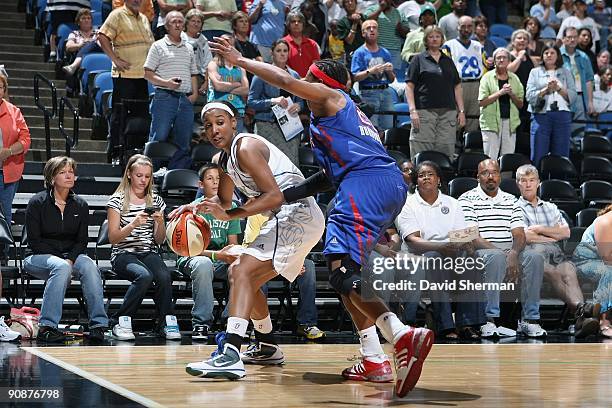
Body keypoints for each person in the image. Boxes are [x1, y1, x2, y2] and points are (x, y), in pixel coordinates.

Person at [200, 36, 433, 397]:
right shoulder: (336, 119)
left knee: (338, 270)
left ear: (323, 84)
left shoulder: (331, 98)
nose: (302, 85)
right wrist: (284, 195)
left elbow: (285, 81)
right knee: (346, 275)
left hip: (366, 182)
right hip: (382, 183)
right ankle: (374, 359)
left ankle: (401, 335)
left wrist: (240, 60)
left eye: (309, 79)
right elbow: (324, 179)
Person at [182, 101, 325, 378]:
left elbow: (274, 196)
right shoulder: (223, 160)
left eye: (220, 122)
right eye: (208, 125)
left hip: (297, 214)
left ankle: (231, 352)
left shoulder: (245, 147)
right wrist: (192, 207)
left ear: (234, 122)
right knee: (244, 275)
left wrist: (230, 214)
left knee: (241, 270)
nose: (214, 129)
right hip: (284, 217)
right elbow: (223, 201)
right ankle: (268, 346)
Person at [24, 156, 109, 343]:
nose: (69, 175)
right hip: (37, 256)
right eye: (63, 172)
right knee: (60, 267)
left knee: (89, 267)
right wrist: (64, 263)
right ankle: (47, 326)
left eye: (71, 172)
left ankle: (98, 324)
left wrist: (70, 260)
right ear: (52, 178)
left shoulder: (81, 205)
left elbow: (81, 241)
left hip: (70, 256)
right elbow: (35, 241)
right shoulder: (37, 202)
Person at [397, 161, 485, 339]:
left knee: (470, 260)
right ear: (416, 181)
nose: (426, 177)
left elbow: (460, 234)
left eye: (430, 174)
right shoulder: (407, 203)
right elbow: (413, 240)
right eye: (422, 175)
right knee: (433, 258)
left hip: (450, 250)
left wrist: (462, 245)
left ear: (438, 180)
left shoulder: (452, 203)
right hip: (420, 253)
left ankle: (467, 323)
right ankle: (445, 325)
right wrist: (441, 247)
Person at [458, 159, 546, 338]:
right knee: (495, 257)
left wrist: (513, 253)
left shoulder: (511, 199)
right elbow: (472, 237)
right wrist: (502, 253)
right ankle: (489, 320)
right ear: (478, 177)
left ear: (500, 176)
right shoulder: (466, 199)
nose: (490, 177)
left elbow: (519, 233)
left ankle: (530, 320)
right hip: (480, 251)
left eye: (494, 172)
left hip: (508, 250)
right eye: (485, 173)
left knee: (534, 257)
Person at [515, 164, 597, 338]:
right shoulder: (514, 207)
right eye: (523, 181)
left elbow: (565, 232)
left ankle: (579, 319)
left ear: (538, 183)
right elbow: (525, 236)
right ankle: (581, 313)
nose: (528, 184)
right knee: (550, 270)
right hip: (530, 257)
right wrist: (551, 236)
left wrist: (538, 228)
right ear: (518, 184)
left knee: (568, 270)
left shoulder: (550, 207)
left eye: (532, 180)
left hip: (555, 254)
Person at [106, 154, 180, 341]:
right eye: (139, 175)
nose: (143, 180)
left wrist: (161, 223)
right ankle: (120, 320)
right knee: (144, 275)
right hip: (123, 253)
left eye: (147, 176)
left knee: (163, 275)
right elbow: (113, 238)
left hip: (148, 250)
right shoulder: (117, 200)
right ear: (129, 174)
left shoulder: (155, 200)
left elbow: (160, 240)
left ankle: (166, 322)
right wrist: (133, 224)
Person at [177, 163, 241, 340]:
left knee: (241, 264)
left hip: (219, 258)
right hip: (192, 257)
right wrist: (217, 255)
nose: (215, 182)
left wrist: (233, 254)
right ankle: (201, 323)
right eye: (210, 178)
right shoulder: (192, 209)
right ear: (200, 184)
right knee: (204, 264)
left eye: (219, 179)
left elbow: (232, 244)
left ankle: (232, 321)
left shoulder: (231, 207)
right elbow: (189, 249)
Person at [99, 0, 155, 163]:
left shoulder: (144, 18)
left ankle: (134, 152)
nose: (137, 0)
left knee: (140, 117)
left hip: (142, 76)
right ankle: (116, 152)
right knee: (120, 116)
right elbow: (102, 37)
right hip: (125, 76)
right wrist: (115, 59)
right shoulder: (117, 15)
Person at [144, 11, 198, 171]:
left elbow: (193, 73)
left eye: (180, 21)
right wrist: (166, 83)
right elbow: (147, 73)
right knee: (158, 137)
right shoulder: (158, 46)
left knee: (184, 140)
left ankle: (176, 175)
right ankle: (148, 174)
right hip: (164, 96)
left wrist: (194, 94)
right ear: (167, 26)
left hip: (185, 99)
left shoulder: (189, 47)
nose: (177, 24)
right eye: (174, 21)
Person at [406, 25, 465, 160]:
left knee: (445, 152)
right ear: (426, 40)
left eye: (437, 36)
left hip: (448, 113)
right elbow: (409, 86)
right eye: (431, 37)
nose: (434, 39)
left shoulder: (448, 61)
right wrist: (412, 110)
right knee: (421, 153)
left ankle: (442, 181)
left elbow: (457, 86)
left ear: (442, 39)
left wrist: (461, 111)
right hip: (424, 112)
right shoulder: (418, 59)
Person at [248, 39, 303, 165]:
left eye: (285, 51)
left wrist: (298, 106)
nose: (282, 54)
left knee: (291, 163)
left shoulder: (294, 75)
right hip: (267, 125)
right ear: (272, 53)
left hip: (290, 127)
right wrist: (272, 101)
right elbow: (251, 102)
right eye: (278, 51)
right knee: (270, 164)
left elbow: (301, 101)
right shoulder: (262, 73)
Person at [526, 45, 576, 166]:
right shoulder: (535, 72)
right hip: (541, 116)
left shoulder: (566, 72)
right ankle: (537, 183)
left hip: (562, 116)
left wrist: (558, 88)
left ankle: (559, 182)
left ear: (558, 56)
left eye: (552, 52)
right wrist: (546, 90)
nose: (549, 55)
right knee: (538, 153)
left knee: (561, 155)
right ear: (542, 56)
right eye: (546, 52)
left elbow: (573, 97)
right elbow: (530, 96)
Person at [0, 74, 31, 261]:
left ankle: (3, 257)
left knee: (4, 214)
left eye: (1, 87)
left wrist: (9, 151)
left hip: (7, 173)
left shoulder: (13, 111)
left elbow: (26, 140)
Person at [573, 204, 612, 339]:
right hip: (586, 262)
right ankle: (603, 321)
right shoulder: (606, 221)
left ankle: (590, 313)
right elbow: (607, 256)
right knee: (609, 271)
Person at [478, 48, 524, 160]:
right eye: (498, 58)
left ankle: (506, 178)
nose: (501, 60)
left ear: (509, 61)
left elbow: (520, 104)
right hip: (491, 123)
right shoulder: (486, 77)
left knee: (507, 158)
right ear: (494, 61)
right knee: (490, 158)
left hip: (510, 123)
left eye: (504, 58)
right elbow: (481, 102)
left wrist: (511, 94)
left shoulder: (515, 78)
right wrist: (500, 93)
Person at [443, 15, 486, 133]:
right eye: (463, 26)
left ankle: (469, 149)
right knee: (456, 118)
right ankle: (454, 148)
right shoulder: (449, 45)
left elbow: (485, 65)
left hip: (476, 84)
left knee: (473, 118)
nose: (466, 29)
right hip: (458, 84)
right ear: (457, 27)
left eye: (469, 26)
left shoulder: (478, 46)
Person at [351, 19, 396, 132]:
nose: (372, 30)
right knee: (371, 129)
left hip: (386, 92)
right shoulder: (359, 53)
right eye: (368, 28)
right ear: (363, 33)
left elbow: (391, 80)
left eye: (374, 27)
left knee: (388, 128)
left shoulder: (385, 52)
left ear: (378, 32)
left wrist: (390, 71)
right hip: (368, 93)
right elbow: (354, 77)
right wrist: (370, 71)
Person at [208, 34, 250, 133]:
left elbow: (246, 90)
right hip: (218, 109)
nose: (227, 48)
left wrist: (226, 87)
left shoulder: (240, 67)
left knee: (235, 144)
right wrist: (236, 84)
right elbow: (218, 86)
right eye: (224, 44)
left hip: (237, 110)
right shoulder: (213, 64)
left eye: (230, 45)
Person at [507, 29, 537, 157]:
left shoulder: (530, 58)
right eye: (519, 38)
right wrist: (519, 56)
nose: (522, 40)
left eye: (525, 39)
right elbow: (508, 71)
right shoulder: (508, 56)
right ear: (513, 41)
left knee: (524, 133)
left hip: (527, 100)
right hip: (511, 98)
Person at [363, 0, 411, 78]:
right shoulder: (371, 9)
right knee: (377, 77)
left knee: (395, 80)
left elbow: (407, 33)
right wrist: (380, 10)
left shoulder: (399, 13)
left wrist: (400, 28)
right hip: (376, 51)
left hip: (394, 52)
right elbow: (366, 23)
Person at [560, 26, 595, 127]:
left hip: (580, 98)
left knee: (579, 133)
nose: (572, 39)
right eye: (569, 37)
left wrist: (590, 102)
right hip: (562, 98)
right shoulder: (557, 55)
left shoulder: (584, 56)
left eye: (575, 37)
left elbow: (589, 80)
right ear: (563, 39)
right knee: (562, 132)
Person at [183, 8, 213, 102]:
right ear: (187, 23)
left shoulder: (204, 41)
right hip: (183, 77)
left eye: (198, 21)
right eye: (193, 21)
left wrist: (206, 82)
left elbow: (209, 63)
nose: (196, 24)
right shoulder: (179, 38)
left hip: (200, 78)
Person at [61, 8, 103, 77]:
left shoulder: (98, 32)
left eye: (89, 18)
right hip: (83, 62)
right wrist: (80, 45)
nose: (86, 20)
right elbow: (68, 47)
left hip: (99, 55)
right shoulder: (74, 33)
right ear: (78, 22)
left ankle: (73, 66)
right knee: (89, 44)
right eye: (83, 18)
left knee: (92, 43)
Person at [283, 11, 321, 78]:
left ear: (303, 25)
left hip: (308, 83)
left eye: (299, 21)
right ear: (288, 25)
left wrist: (306, 80)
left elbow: (316, 65)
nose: (296, 23)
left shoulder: (312, 44)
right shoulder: (283, 43)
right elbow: (282, 65)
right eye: (293, 21)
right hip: (289, 82)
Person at [336, 0, 365, 66]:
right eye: (347, 1)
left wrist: (359, 21)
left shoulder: (363, 17)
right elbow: (349, 41)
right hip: (352, 56)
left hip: (365, 53)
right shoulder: (342, 22)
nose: (350, 3)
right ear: (344, 5)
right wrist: (355, 24)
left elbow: (367, 35)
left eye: (352, 1)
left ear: (356, 3)